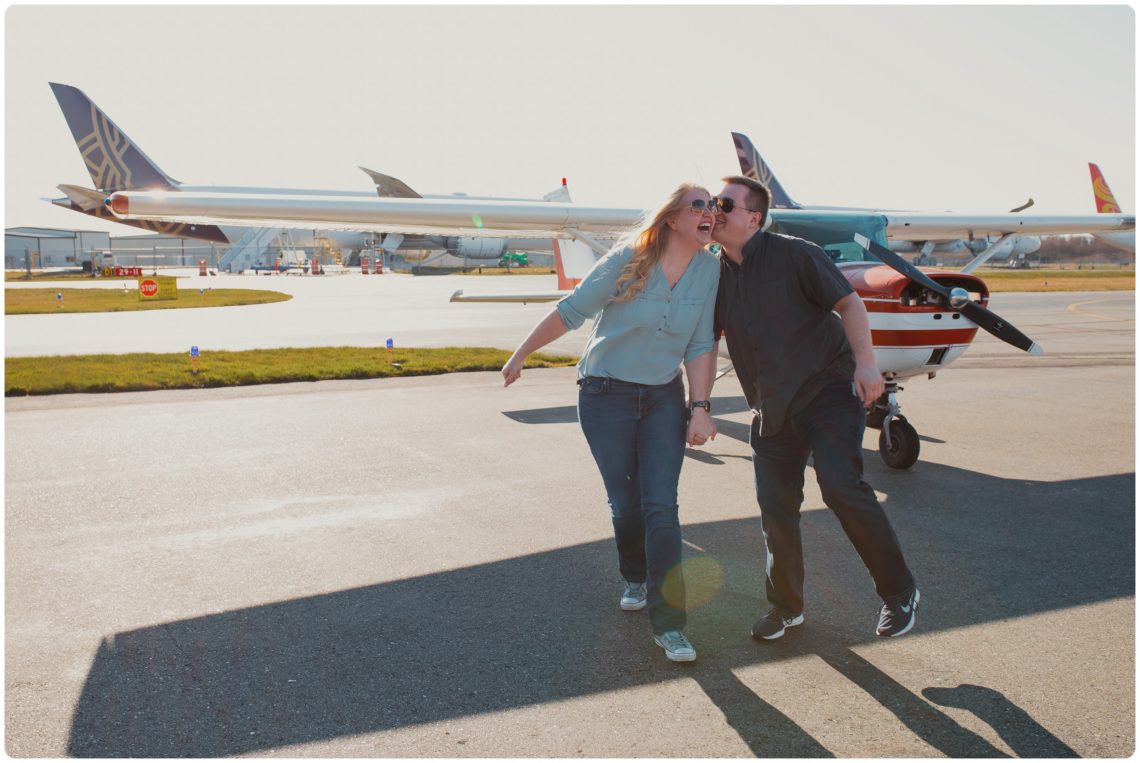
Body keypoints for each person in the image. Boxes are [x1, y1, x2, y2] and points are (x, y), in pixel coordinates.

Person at [502, 184, 721, 663]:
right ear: (672, 218)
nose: (712, 212)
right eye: (700, 205)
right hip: (606, 394)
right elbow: (572, 311)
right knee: (626, 504)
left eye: (715, 206)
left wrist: (700, 405)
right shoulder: (629, 259)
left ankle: (670, 625)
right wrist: (521, 354)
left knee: (661, 506)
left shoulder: (710, 268)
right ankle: (635, 575)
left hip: (664, 395)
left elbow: (701, 343)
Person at [710, 175, 919, 640]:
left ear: (754, 217)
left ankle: (899, 592)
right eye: (710, 201)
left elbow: (850, 304)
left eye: (725, 202)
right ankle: (787, 608)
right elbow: (703, 342)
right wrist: (698, 404)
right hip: (770, 407)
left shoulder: (796, 254)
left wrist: (867, 366)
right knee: (775, 509)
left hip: (827, 391)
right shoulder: (712, 274)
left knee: (841, 486)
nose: (715, 209)